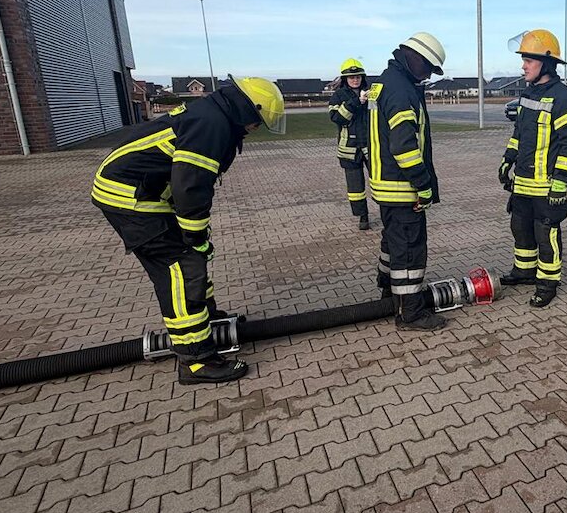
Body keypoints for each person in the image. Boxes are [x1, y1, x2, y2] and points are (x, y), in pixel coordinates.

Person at [92, 76, 284, 384]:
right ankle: (196, 360)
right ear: (248, 111)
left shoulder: (213, 115)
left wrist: (196, 237)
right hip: (132, 199)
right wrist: (194, 236)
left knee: (192, 256)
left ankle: (204, 319)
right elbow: (191, 188)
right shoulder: (212, 126)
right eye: (257, 122)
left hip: (142, 193)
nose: (255, 129)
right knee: (182, 268)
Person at [367, 32, 449, 330]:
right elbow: (404, 147)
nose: (428, 75)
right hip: (403, 188)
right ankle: (410, 312)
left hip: (383, 183)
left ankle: (389, 293)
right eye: (429, 68)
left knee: (393, 243)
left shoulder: (383, 83)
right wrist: (424, 186)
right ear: (416, 59)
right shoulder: (402, 91)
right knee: (410, 249)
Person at [498, 29, 567, 308]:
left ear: (546, 63)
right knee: (520, 228)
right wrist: (507, 159)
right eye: (524, 60)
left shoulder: (564, 98)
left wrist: (561, 182)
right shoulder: (527, 94)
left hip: (546, 183)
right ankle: (524, 271)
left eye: (529, 61)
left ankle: (548, 282)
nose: (523, 66)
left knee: (545, 233)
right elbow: (518, 132)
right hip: (522, 181)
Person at [329, 58, 372, 230]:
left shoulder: (371, 93)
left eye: (358, 76)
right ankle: (363, 216)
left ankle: (386, 211)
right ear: (345, 79)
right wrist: (356, 102)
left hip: (370, 146)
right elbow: (337, 118)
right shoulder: (338, 96)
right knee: (355, 188)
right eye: (351, 77)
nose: (355, 79)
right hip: (349, 148)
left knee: (378, 181)